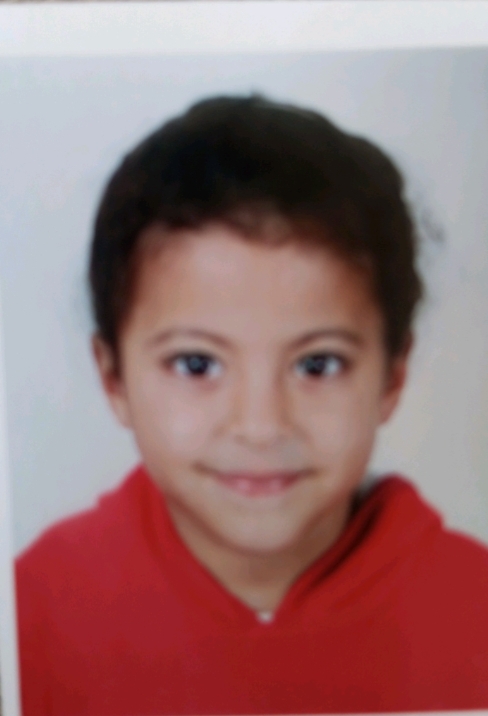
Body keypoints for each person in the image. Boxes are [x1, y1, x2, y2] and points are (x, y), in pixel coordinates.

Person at [15, 94, 488, 716]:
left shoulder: (473, 608)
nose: (261, 427)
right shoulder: (33, 613)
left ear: (392, 377)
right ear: (114, 379)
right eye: (197, 364)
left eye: (317, 365)